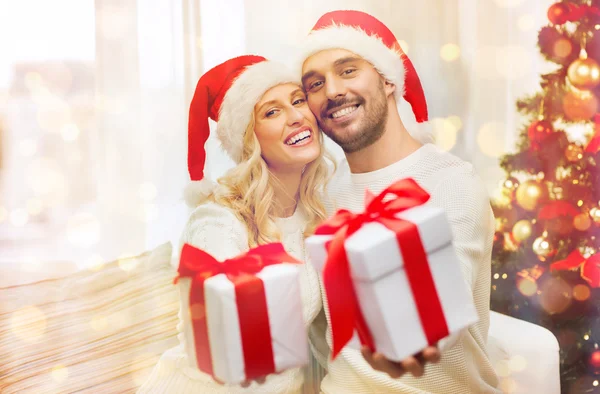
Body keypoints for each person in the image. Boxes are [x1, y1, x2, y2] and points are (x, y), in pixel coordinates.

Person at [298, 10, 501, 394]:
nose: (332, 91)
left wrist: (411, 341)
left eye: (347, 70)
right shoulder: (322, 195)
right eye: (315, 84)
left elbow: (441, 319)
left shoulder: (451, 182)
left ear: (389, 80)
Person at [138, 55, 333, 394]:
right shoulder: (217, 223)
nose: (296, 117)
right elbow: (213, 350)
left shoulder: (314, 214)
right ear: (249, 140)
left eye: (297, 101)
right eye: (272, 112)